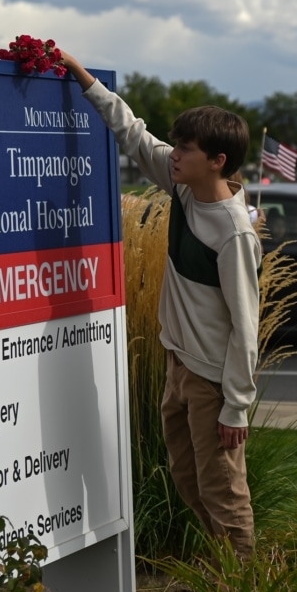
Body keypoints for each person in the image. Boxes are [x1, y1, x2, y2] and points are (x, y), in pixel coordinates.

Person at [60, 52, 261, 560]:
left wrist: (236, 405)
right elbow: (133, 133)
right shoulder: (185, 191)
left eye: (186, 149)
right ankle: (223, 573)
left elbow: (246, 326)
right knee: (189, 481)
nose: (174, 154)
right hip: (179, 366)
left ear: (217, 160)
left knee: (224, 493)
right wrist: (82, 75)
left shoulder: (234, 233)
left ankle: (245, 584)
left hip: (213, 381)